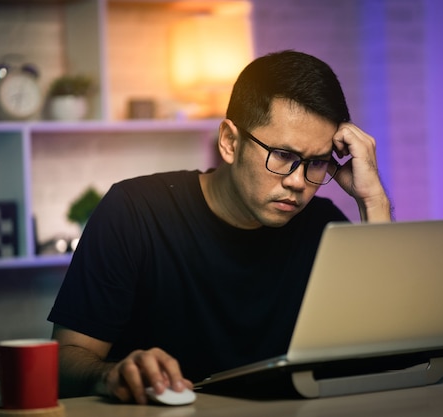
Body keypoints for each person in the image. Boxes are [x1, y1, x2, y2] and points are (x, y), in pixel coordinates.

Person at [47, 50, 392, 404]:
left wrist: (373, 200)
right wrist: (111, 373)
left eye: (316, 163)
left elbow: (389, 348)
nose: (298, 182)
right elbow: (63, 361)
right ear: (229, 142)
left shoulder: (321, 224)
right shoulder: (135, 211)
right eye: (284, 157)